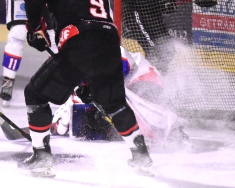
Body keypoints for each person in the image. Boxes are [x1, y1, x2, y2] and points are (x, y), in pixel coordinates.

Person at [18, 0, 153, 177]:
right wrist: (90, 81)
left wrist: (36, 29)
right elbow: (102, 32)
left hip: (80, 42)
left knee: (35, 94)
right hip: (110, 45)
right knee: (115, 105)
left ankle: (41, 154)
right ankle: (141, 155)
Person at [51, 46, 188, 145]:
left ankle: (170, 127)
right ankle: (163, 132)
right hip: (133, 85)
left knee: (117, 98)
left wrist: (96, 87)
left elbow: (124, 64)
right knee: (111, 106)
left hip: (145, 78)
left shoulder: (99, 49)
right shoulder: (81, 66)